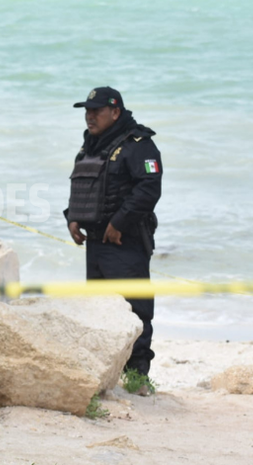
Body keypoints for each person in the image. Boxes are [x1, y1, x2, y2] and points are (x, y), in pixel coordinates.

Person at [64, 87, 162, 378]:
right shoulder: (91, 144)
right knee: (98, 312)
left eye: (97, 111)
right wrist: (72, 217)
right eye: (87, 110)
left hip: (126, 242)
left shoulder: (138, 144)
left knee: (135, 311)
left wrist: (119, 223)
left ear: (115, 112)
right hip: (95, 243)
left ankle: (137, 376)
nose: (90, 116)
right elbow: (82, 183)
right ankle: (105, 376)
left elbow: (149, 188)